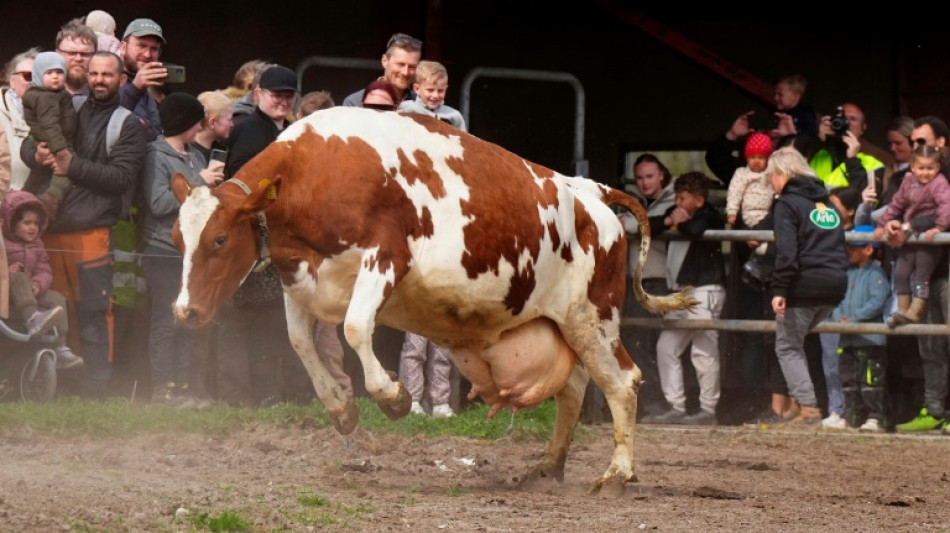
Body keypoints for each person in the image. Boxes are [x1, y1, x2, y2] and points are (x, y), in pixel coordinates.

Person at [20, 51, 148, 399]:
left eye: (108, 74)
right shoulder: (68, 105)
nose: (99, 80)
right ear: (86, 75)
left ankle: (95, 389)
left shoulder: (129, 125)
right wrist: (37, 155)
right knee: (54, 313)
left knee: (94, 312)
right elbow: (29, 146)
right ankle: (57, 389)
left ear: (122, 79)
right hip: (52, 231)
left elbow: (121, 178)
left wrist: (72, 165)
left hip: (92, 233)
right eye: (94, 73)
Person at [219, 64, 311, 406]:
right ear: (258, 94)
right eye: (277, 95)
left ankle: (272, 393)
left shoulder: (289, 131)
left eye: (289, 96)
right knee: (246, 320)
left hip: (278, 238)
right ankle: (242, 396)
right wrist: (276, 198)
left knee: (273, 320)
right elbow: (245, 186)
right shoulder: (246, 130)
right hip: (250, 238)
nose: (283, 102)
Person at [142, 92, 223, 406]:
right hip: (162, 249)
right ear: (184, 123)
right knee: (165, 320)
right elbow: (158, 202)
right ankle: (162, 391)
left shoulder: (196, 155)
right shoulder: (156, 155)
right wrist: (197, 181)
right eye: (197, 121)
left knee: (190, 320)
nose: (202, 126)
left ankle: (187, 388)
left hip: (192, 255)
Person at [768, 147, 849, 425]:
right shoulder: (828, 204)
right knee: (797, 341)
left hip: (804, 284)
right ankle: (800, 404)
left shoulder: (787, 204)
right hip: (835, 285)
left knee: (788, 346)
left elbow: (787, 252)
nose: (770, 183)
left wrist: (779, 289)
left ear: (781, 174)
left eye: (771, 177)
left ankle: (808, 408)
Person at [650, 172, 726, 425]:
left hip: (706, 290)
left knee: (704, 352)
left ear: (700, 201)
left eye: (683, 198)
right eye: (677, 198)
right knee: (667, 346)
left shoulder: (710, 214)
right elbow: (651, 226)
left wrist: (677, 222)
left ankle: (708, 410)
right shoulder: (677, 211)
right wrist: (671, 219)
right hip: (681, 293)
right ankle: (676, 406)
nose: (679, 204)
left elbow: (696, 228)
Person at [618, 154, 675, 420]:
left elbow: (640, 226)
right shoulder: (638, 203)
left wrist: (628, 224)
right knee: (640, 342)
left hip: (660, 280)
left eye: (649, 176)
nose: (644, 182)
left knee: (654, 343)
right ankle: (653, 403)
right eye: (640, 178)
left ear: (662, 174)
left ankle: (661, 404)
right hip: (636, 280)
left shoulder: (675, 201)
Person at [1, 190, 83, 369]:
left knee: (57, 298)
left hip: (27, 292)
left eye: (36, 224)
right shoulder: (2, 241)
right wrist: (5, 272)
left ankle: (60, 345)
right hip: (4, 292)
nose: (33, 228)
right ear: (12, 223)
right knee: (18, 277)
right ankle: (32, 318)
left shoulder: (37, 244)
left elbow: (44, 270)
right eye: (27, 223)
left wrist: (37, 285)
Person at [874, 146, 950, 326]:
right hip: (909, 237)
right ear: (912, 167)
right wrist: (882, 225)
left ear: (938, 167)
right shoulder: (908, 182)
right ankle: (902, 311)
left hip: (928, 239)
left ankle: (917, 309)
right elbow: (896, 205)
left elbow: (946, 206)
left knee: (921, 275)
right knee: (901, 273)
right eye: (921, 168)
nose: (925, 173)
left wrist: (939, 227)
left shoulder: (940, 183)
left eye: (930, 168)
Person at [828, 225, 889, 432]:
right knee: (849, 380)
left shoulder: (876, 274)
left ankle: (875, 417)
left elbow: (877, 301)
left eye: (855, 247)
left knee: (870, 380)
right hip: (848, 339)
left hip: (869, 339)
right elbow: (837, 299)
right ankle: (851, 415)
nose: (849, 251)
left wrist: (854, 319)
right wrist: (838, 318)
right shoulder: (847, 274)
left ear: (869, 249)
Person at [21, 52, 77, 206]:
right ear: (38, 75)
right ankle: (52, 199)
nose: (55, 76)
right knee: (65, 170)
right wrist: (61, 149)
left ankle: (24, 197)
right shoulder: (46, 97)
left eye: (59, 72)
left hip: (46, 139)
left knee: (38, 174)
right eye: (49, 72)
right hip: (54, 141)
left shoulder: (53, 94)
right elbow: (49, 124)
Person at [809, 102, 885, 197]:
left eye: (853, 119)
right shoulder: (816, 153)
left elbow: (868, 202)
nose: (846, 123)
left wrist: (852, 161)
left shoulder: (873, 164)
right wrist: (818, 140)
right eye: (842, 118)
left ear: (862, 128)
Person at [342, 32, 422, 107]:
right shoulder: (355, 103)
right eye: (400, 65)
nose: (405, 72)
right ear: (385, 61)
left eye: (412, 67)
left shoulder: (422, 104)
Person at [119, 18, 167, 140]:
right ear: (123, 47)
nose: (147, 54)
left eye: (154, 49)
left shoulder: (148, 91)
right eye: (141, 46)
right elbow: (105, 122)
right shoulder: (105, 78)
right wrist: (135, 88)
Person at [1, 48, 38, 191]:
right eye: (28, 76)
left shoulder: (55, 114)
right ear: (12, 80)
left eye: (39, 76)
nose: (34, 82)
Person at [725, 131, 774, 231]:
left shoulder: (771, 173)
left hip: (767, 215)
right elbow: (735, 193)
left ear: (768, 159)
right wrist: (732, 212)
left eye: (761, 158)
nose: (756, 161)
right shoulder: (742, 173)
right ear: (746, 158)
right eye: (752, 157)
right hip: (748, 215)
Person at [398, 60, 465, 130]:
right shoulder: (406, 109)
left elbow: (464, 140)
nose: (435, 95)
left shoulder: (454, 116)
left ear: (446, 89)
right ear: (417, 89)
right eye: (430, 90)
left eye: (440, 91)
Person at [55, 20, 97, 99]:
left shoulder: (105, 97)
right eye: (71, 53)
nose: (78, 59)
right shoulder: (41, 97)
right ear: (57, 54)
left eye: (85, 54)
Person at [773, 73, 818, 140]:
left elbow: (809, 138)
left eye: (780, 94)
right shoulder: (777, 113)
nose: (775, 98)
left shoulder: (805, 115)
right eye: (775, 94)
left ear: (795, 97)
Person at [193, 90, 234, 162]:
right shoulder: (191, 155)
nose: (232, 124)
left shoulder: (221, 150)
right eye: (229, 120)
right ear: (212, 123)